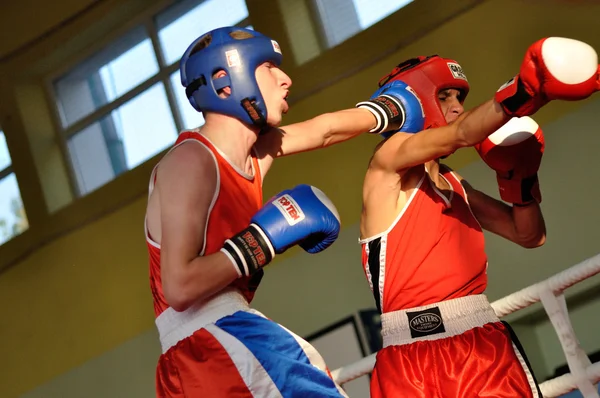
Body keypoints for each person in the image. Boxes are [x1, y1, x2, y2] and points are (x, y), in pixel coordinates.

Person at [143, 26, 415, 398]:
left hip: (212, 349)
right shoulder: (192, 161)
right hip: (213, 341)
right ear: (227, 78)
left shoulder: (252, 158)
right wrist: (261, 242)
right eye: (269, 66)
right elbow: (179, 286)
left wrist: (389, 111)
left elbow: (323, 131)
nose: (286, 79)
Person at [357, 37, 600, 397]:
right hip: (407, 361)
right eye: (444, 96)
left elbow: (529, 235)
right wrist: (528, 91)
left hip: (479, 350)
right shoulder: (387, 163)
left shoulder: (457, 185)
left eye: (459, 98)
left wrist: (518, 180)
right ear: (413, 102)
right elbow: (462, 133)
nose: (456, 107)